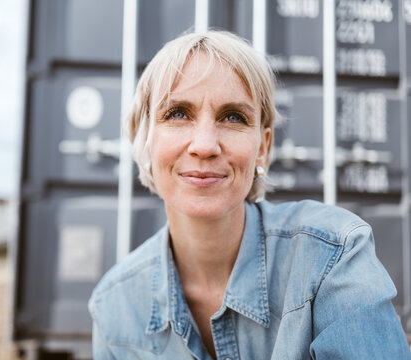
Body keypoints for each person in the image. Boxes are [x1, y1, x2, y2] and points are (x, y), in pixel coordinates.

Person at [88, 30, 411, 359]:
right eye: (178, 114)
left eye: (233, 117)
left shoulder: (333, 257)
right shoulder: (114, 307)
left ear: (263, 147)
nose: (204, 145)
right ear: (144, 140)